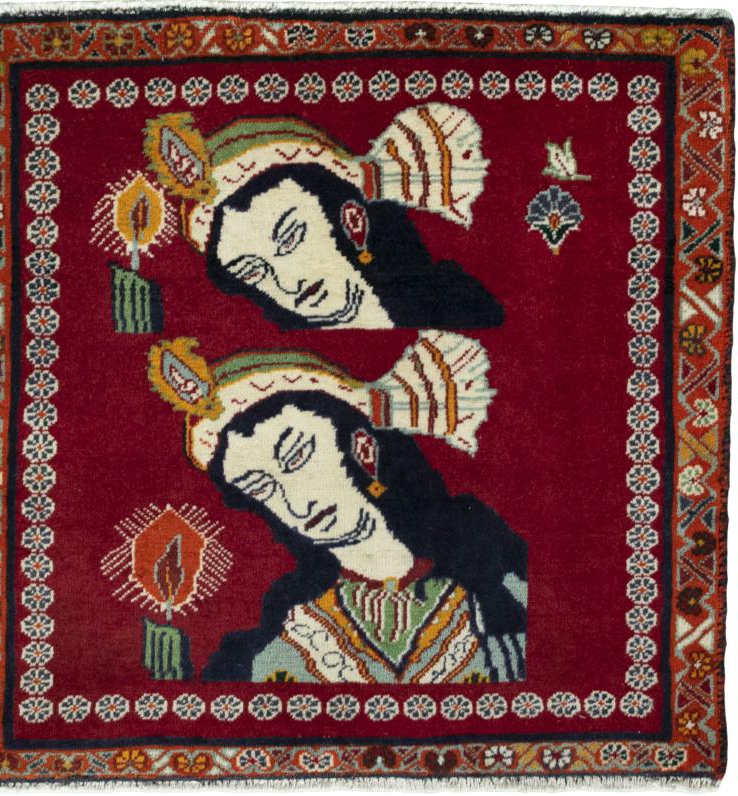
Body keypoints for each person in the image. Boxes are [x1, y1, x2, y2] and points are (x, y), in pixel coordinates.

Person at [148, 331, 527, 683]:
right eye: (261, 488)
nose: (298, 504)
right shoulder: (283, 633)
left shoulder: (507, 578)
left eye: (297, 456)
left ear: (362, 444)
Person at [143, 105, 503, 329]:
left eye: (290, 238)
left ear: (348, 215)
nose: (288, 283)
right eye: (252, 272)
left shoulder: (457, 306)